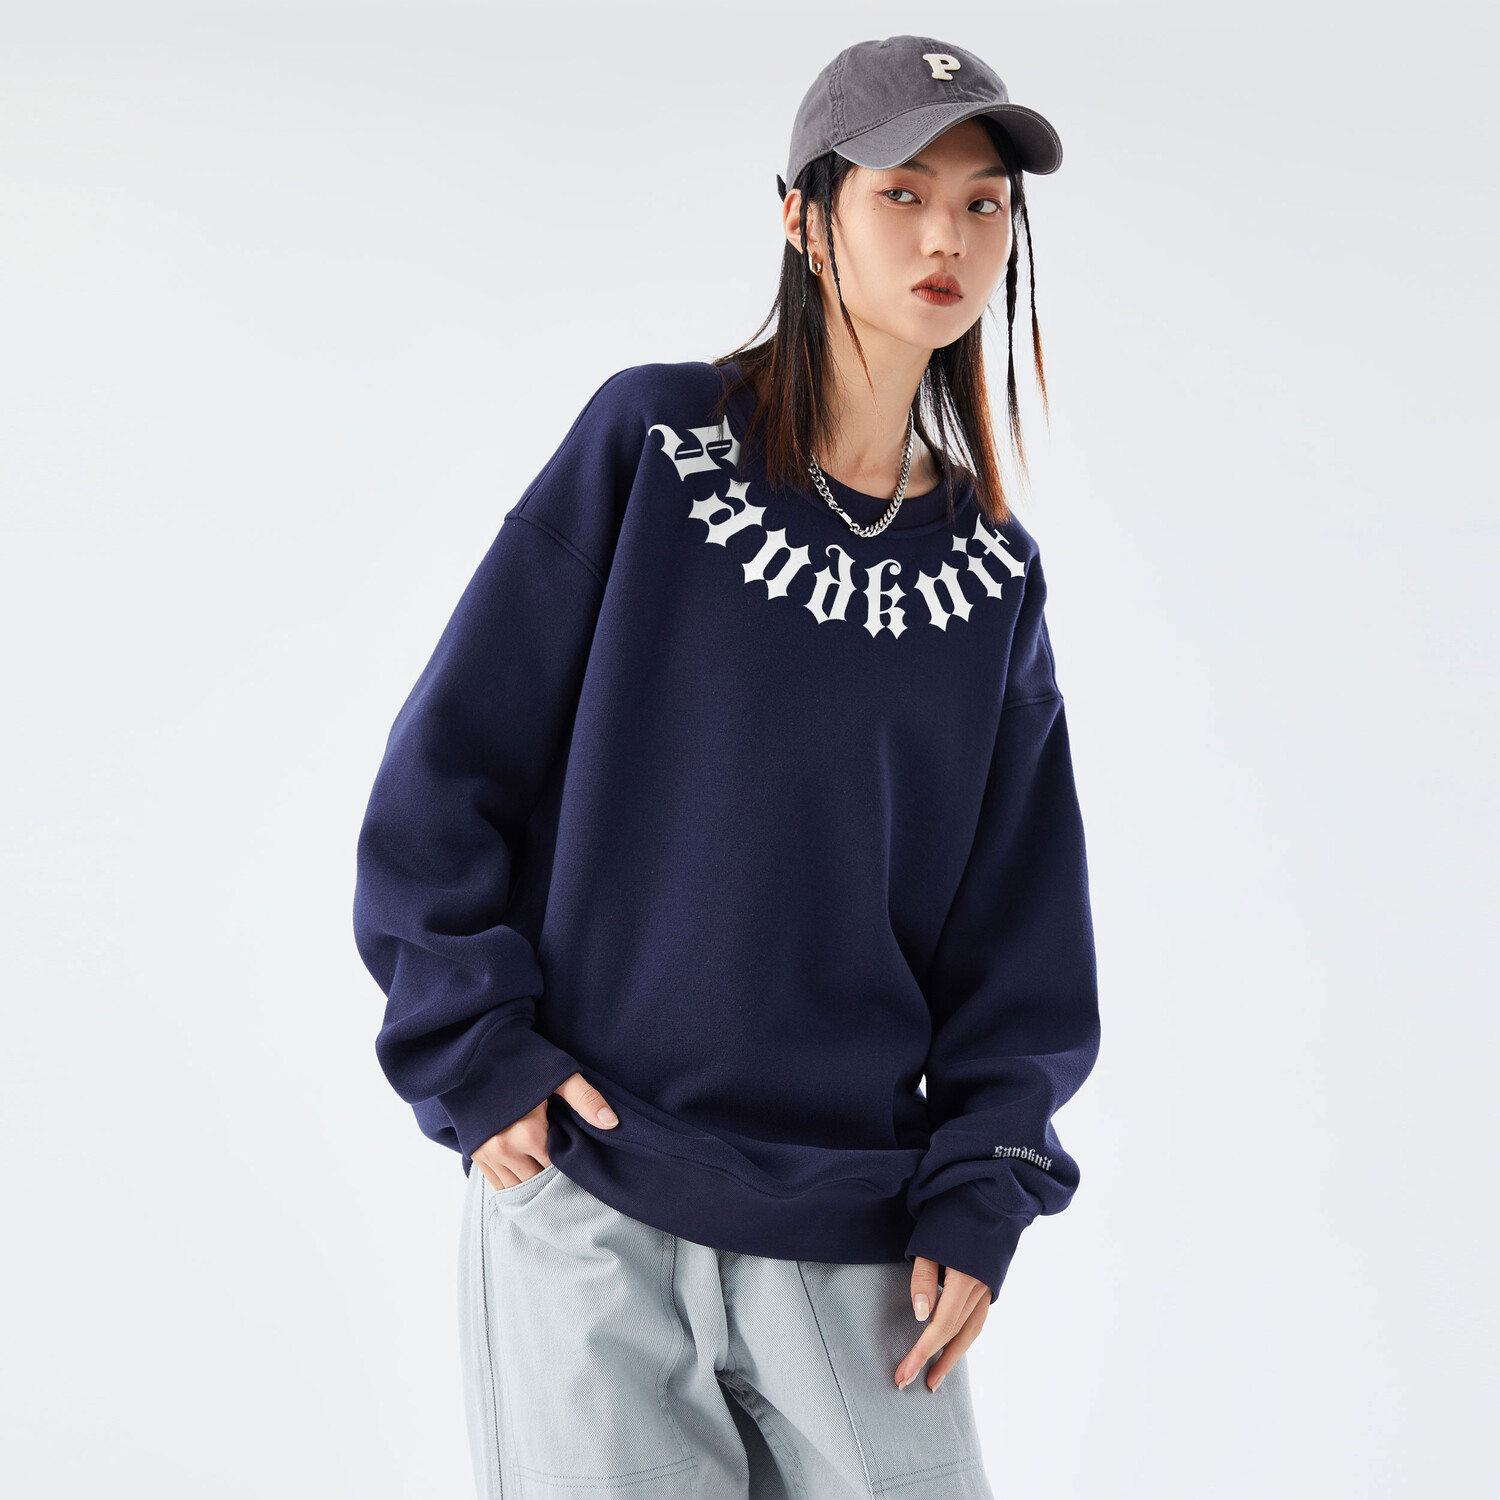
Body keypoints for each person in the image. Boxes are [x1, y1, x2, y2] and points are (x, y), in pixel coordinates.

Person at [353, 34, 1101, 1500]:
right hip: (590, 1184)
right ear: (806, 218)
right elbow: (449, 769)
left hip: (859, 1226)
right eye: (902, 193)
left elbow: (1020, 937)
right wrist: (478, 1054)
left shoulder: (989, 578)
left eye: (984, 204)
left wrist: (985, 1184)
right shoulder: (652, 446)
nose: (947, 239)